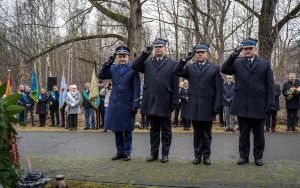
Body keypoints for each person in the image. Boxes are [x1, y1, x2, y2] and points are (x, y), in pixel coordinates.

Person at [221, 38, 275, 166]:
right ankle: (243, 157)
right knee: (243, 133)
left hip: (259, 104)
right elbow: (224, 69)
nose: (247, 51)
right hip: (242, 104)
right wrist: (234, 54)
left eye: (250, 49)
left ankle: (258, 157)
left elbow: (270, 85)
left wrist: (270, 103)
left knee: (259, 134)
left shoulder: (264, 63)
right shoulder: (238, 63)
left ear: (255, 49)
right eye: (245, 49)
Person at [132, 38, 179, 163]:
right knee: (153, 130)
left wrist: (175, 101)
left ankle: (165, 154)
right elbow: (134, 66)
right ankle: (153, 154)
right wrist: (145, 54)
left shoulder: (173, 63)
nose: (158, 49)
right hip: (151, 101)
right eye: (156, 47)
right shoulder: (147, 63)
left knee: (166, 131)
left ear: (165, 48)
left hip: (166, 101)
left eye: (160, 47)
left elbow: (175, 83)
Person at [175, 44, 223, 165]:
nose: (200, 54)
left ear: (207, 53)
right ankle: (197, 156)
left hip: (208, 106)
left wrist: (217, 105)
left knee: (207, 133)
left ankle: (206, 156)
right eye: (198, 52)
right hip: (194, 105)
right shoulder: (190, 67)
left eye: (202, 52)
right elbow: (177, 71)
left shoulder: (214, 68)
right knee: (197, 133)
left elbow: (219, 88)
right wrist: (185, 60)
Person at [99, 46, 141, 161]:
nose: (122, 59)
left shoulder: (133, 68)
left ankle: (127, 152)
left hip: (127, 104)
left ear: (128, 57)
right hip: (115, 104)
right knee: (116, 130)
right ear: (117, 58)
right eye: (120, 56)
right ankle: (119, 152)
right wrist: (108, 63)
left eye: (124, 56)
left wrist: (135, 104)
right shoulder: (113, 68)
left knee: (127, 130)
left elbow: (137, 87)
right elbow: (101, 76)